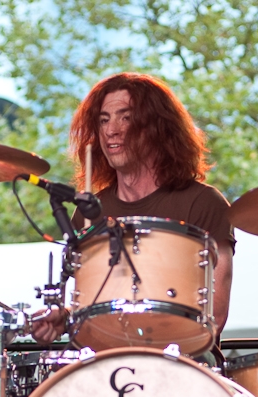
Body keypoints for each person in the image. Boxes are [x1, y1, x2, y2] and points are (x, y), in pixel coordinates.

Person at [31, 72, 234, 348]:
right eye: (104, 120)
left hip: (186, 367)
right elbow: (93, 306)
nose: (111, 130)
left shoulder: (203, 203)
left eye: (125, 117)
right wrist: (64, 318)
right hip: (109, 367)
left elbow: (215, 315)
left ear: (156, 127)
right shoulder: (89, 213)